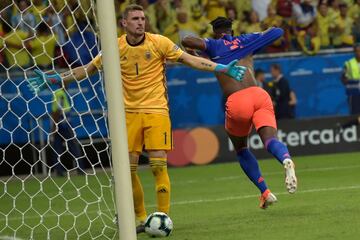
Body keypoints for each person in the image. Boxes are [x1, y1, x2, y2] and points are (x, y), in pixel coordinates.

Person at [27, 4, 246, 234]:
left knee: (158, 166)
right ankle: (142, 219)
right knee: (127, 171)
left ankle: (163, 217)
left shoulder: (159, 42)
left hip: (156, 110)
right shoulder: (114, 47)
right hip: (127, 115)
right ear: (124, 23)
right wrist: (56, 80)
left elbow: (190, 60)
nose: (140, 22)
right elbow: (86, 69)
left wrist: (222, 68)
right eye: (135, 19)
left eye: (142, 18)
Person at [182, 17, 297, 209]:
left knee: (242, 149)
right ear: (232, 31)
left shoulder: (214, 45)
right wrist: (263, 32)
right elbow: (277, 33)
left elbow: (187, 40)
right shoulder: (247, 40)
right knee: (270, 140)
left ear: (215, 32)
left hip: (237, 100)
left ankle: (265, 191)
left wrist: (205, 45)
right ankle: (286, 159)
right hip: (260, 96)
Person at [49, 88, 86, 177]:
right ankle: (79, 168)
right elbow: (57, 110)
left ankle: (59, 171)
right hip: (63, 123)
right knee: (73, 146)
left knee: (57, 148)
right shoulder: (59, 93)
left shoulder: (58, 92)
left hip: (62, 122)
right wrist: (54, 126)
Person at [342, 44, 360, 114]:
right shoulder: (349, 63)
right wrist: (349, 83)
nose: (359, 53)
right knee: (355, 112)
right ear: (354, 52)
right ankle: (355, 124)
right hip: (354, 92)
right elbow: (343, 78)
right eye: (357, 51)